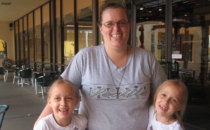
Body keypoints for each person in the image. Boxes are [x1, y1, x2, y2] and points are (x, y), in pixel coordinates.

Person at [34, 2, 167, 130]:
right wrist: (39, 125)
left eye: (122, 23)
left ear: (129, 25)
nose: (116, 28)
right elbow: (59, 97)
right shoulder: (85, 57)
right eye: (109, 24)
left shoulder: (147, 59)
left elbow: (165, 102)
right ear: (101, 28)